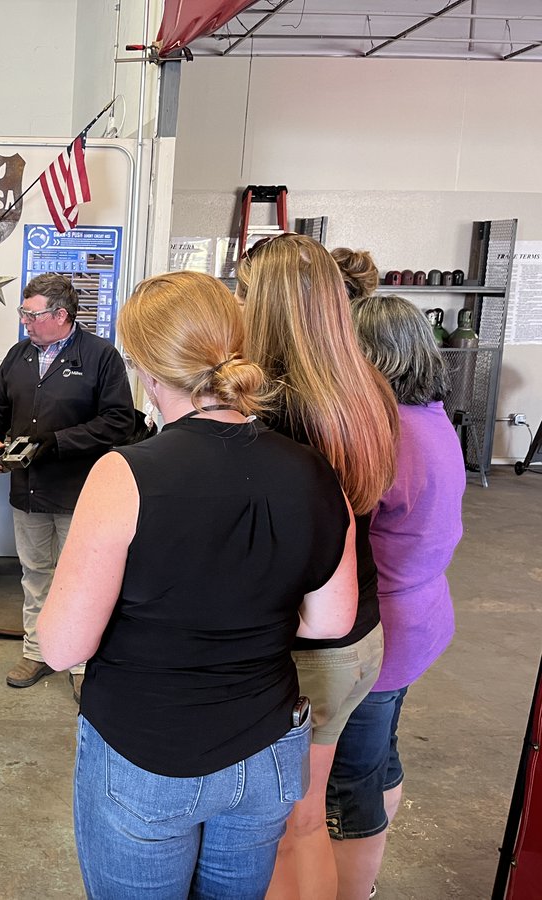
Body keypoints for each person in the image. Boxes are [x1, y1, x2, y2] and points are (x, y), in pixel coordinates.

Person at [37, 271, 358, 899]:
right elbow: (331, 621)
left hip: (147, 748)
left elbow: (62, 647)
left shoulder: (124, 474)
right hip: (265, 749)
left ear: (145, 367)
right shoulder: (312, 470)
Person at [236, 233, 400, 900]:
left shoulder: (280, 407)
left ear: (269, 307)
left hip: (309, 645)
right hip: (359, 632)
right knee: (306, 821)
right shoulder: (364, 387)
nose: (236, 304)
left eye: (244, 294)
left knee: (288, 826)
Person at [330, 294, 465, 900]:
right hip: (422, 618)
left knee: (347, 786)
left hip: (386, 631)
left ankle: (353, 890)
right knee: (380, 757)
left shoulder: (387, 438)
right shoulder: (432, 417)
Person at [0, 273, 134, 700]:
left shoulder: (101, 356)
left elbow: (119, 420)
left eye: (32, 314)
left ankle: (79, 660)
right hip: (27, 489)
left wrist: (59, 442)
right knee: (35, 574)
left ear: (61, 315)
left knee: (78, 578)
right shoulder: (19, 355)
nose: (25, 321)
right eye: (23, 313)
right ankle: (37, 651)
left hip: (78, 491)